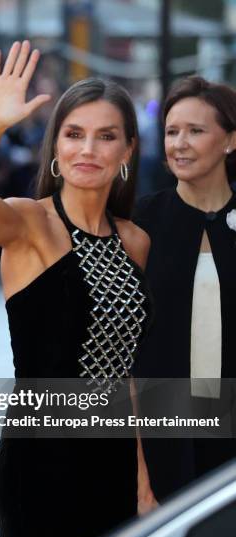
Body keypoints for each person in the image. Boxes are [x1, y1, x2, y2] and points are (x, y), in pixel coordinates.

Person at [0, 40, 152, 537]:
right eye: (74, 134)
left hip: (111, 459)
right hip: (39, 461)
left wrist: (144, 481)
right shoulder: (29, 222)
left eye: (106, 137)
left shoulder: (135, 242)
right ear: (56, 148)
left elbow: (129, 376)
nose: (88, 149)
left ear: (128, 150)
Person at [134, 75, 236, 502]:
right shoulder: (140, 223)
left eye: (196, 131)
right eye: (172, 132)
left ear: (230, 140)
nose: (180, 144)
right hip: (162, 430)